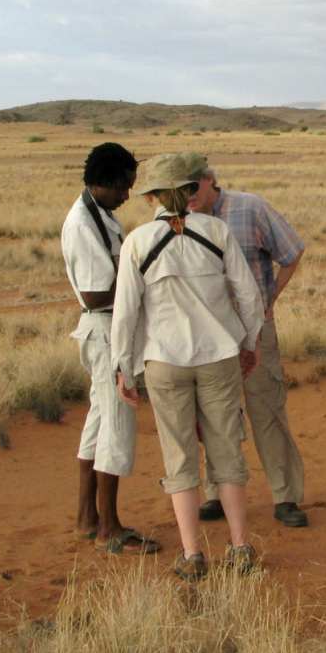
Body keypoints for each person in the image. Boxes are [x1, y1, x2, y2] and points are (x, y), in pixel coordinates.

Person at [111, 154, 265, 580]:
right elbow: (249, 297)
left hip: (164, 361)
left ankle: (193, 554)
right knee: (226, 450)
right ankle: (241, 547)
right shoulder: (217, 231)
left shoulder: (138, 242)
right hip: (219, 356)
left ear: (154, 197)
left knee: (178, 456)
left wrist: (123, 367)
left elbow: (125, 313)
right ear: (192, 190)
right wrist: (249, 342)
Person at [176, 153, 310, 528]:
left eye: (192, 186)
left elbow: (292, 251)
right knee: (215, 414)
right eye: (179, 188)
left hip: (253, 329)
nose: (187, 195)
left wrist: (269, 300)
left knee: (266, 409)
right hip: (207, 334)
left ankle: (285, 497)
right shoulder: (180, 220)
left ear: (209, 180)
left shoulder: (250, 208)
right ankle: (215, 492)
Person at [60, 142, 159, 555]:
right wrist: (143, 278)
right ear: (107, 180)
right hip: (105, 333)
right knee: (116, 427)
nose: (127, 196)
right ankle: (110, 528)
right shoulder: (84, 223)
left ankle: (88, 518)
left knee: (98, 424)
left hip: (103, 331)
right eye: (124, 187)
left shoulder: (98, 215)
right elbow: (95, 292)